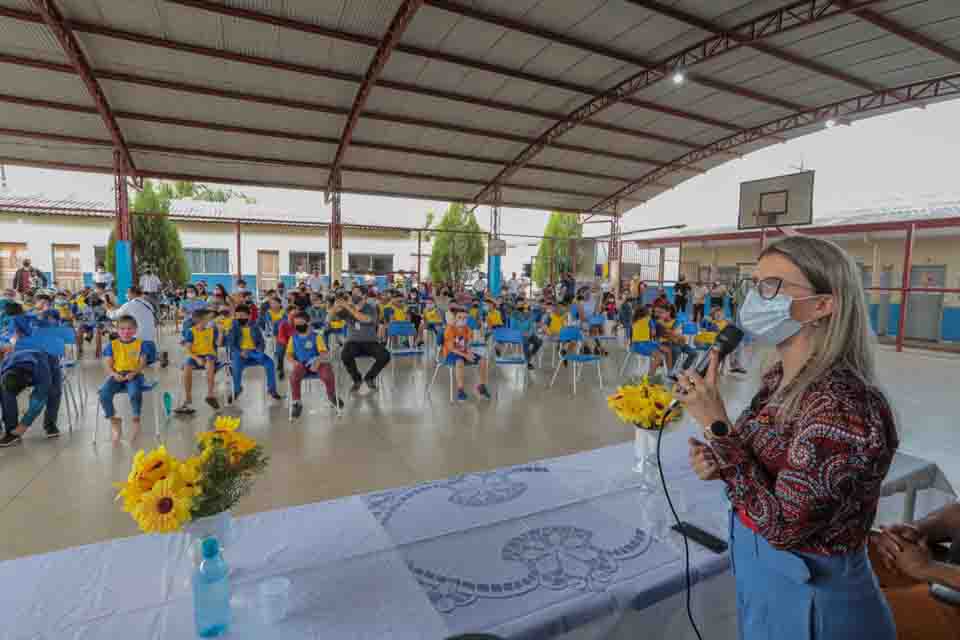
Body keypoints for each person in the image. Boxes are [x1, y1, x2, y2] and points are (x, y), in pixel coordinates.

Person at [682, 235, 898, 640]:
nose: (754, 299)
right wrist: (721, 464)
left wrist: (716, 425)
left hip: (815, 600)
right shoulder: (779, 380)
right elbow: (757, 468)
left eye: (771, 286)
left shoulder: (843, 407)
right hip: (767, 580)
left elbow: (785, 526)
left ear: (822, 305)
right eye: (754, 284)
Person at [870, 503, 960, 640]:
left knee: (858, 615)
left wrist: (927, 568)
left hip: (950, 596)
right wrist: (917, 530)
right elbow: (956, 514)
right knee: (869, 549)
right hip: (942, 575)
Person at [99, 315, 151, 442]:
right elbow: (107, 364)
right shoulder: (112, 345)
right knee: (104, 394)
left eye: (129, 328)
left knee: (134, 393)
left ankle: (136, 419)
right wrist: (113, 374)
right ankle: (114, 420)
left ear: (135, 329)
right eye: (122, 329)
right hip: (117, 375)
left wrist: (134, 373)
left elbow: (142, 363)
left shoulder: (141, 344)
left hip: (134, 374)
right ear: (117, 330)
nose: (126, 332)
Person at [0, 348, 62, 446]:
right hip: (18, 363)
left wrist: (23, 426)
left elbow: (37, 403)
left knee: (54, 392)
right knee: (6, 394)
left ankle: (50, 424)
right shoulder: (4, 369)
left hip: (49, 361)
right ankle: (11, 430)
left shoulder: (42, 373)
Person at [287, 311, 341, 417]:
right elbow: (289, 355)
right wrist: (294, 362)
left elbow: (324, 353)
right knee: (293, 377)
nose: (298, 326)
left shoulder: (316, 337)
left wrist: (317, 362)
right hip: (302, 364)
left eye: (301, 323)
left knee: (327, 375)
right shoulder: (293, 338)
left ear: (308, 323)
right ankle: (297, 402)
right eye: (296, 324)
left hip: (319, 363)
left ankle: (331, 396)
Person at [337, 285, 391, 393]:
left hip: (370, 342)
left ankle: (369, 377)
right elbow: (332, 317)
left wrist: (349, 307)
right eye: (352, 293)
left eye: (356, 293)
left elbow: (364, 319)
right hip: (353, 342)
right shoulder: (347, 307)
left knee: (385, 356)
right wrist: (336, 307)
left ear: (364, 296)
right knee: (345, 355)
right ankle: (357, 379)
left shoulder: (371, 308)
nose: (353, 295)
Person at [226, 304, 282, 402]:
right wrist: (240, 352)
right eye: (237, 316)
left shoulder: (255, 326)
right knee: (236, 367)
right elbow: (231, 344)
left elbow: (261, 342)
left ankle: (271, 390)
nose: (239, 318)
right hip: (240, 353)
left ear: (248, 316)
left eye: (242, 316)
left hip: (254, 352)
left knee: (270, 363)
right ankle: (237, 390)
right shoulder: (233, 327)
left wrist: (260, 350)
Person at [174, 308, 221, 414]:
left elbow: (218, 344)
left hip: (209, 354)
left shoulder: (212, 330)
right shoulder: (191, 331)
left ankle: (210, 395)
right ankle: (188, 397)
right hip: (195, 355)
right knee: (187, 367)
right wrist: (197, 358)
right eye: (207, 318)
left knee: (209, 363)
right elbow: (188, 349)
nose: (209, 320)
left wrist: (221, 333)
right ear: (199, 320)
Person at [442, 306, 490, 400]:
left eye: (465, 318)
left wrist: (469, 352)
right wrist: (466, 355)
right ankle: (460, 390)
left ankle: (482, 386)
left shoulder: (468, 329)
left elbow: (468, 344)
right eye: (460, 317)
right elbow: (451, 348)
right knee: (459, 361)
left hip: (464, 352)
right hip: (451, 354)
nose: (462, 320)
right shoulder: (449, 329)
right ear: (455, 318)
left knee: (483, 360)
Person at [106, 286, 158, 363]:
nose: (126, 295)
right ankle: (157, 356)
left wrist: (108, 308)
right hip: (151, 342)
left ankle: (118, 359)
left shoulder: (130, 304)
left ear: (132, 293)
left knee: (114, 335)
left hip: (138, 343)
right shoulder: (148, 305)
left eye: (127, 293)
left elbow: (113, 316)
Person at [510, 303, 541, 369]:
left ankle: (530, 355)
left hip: (528, 334)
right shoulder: (514, 317)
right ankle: (528, 362)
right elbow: (512, 329)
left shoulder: (529, 317)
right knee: (526, 342)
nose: (524, 312)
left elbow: (532, 327)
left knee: (539, 341)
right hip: (518, 335)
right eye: (521, 310)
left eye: (525, 310)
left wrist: (529, 333)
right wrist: (522, 333)